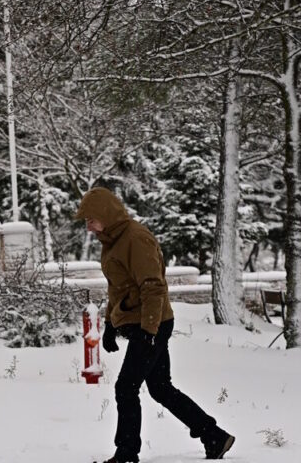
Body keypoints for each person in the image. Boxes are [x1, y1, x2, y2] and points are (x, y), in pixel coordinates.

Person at [75, 187, 235, 463]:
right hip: (141, 323)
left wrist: (149, 332)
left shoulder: (136, 239)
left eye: (91, 220)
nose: (88, 227)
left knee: (126, 388)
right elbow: (119, 287)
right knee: (160, 388)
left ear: (106, 214)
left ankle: (127, 453)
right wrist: (112, 325)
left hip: (152, 323)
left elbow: (153, 287)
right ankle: (214, 436)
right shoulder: (112, 241)